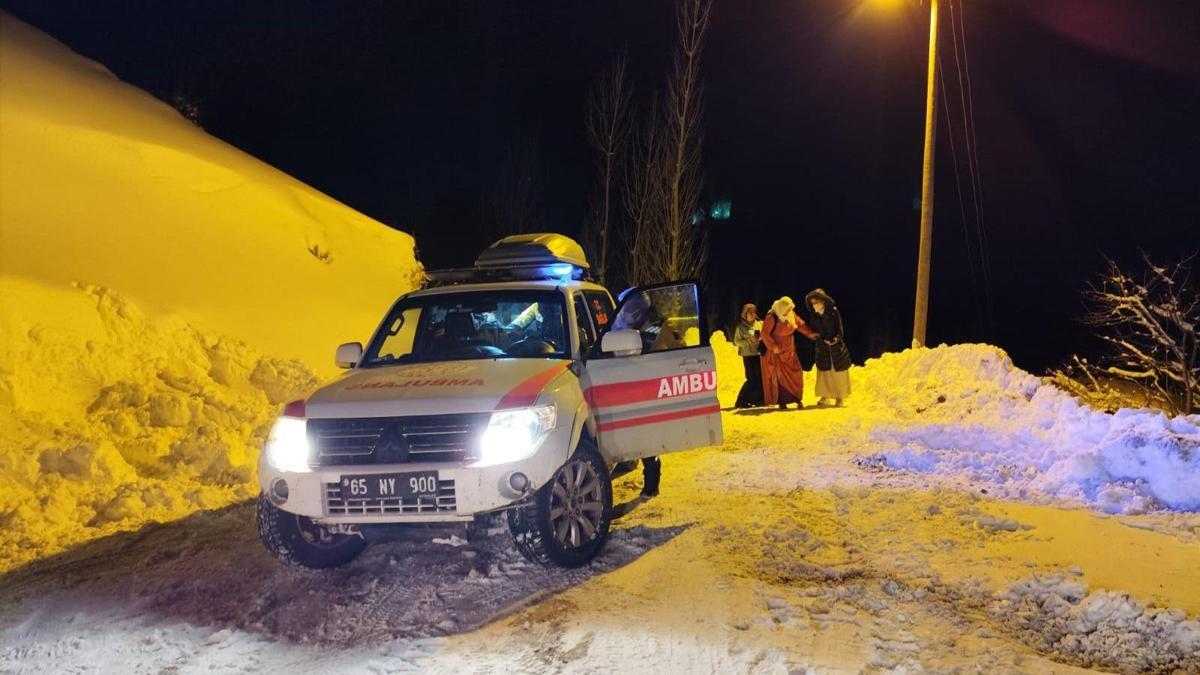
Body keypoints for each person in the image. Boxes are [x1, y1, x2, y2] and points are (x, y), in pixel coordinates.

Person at [760, 296, 818, 409]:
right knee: (780, 376)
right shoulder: (772, 317)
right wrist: (773, 347)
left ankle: (797, 398)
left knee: (796, 373)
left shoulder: (791, 314)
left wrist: (810, 334)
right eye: (787, 309)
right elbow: (764, 333)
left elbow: (800, 324)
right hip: (777, 352)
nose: (789, 311)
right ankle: (782, 401)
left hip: (789, 349)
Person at [805, 288, 852, 406]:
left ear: (823, 301)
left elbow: (840, 330)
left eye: (816, 302)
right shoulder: (814, 316)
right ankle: (825, 397)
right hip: (823, 349)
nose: (815, 305)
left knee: (838, 374)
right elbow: (814, 332)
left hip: (837, 349)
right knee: (824, 374)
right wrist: (819, 340)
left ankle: (839, 398)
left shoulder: (833, 312)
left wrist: (835, 339)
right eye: (812, 303)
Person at [732, 303, 764, 408]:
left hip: (758, 354)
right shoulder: (741, 327)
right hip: (748, 355)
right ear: (744, 314)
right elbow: (737, 342)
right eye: (750, 313)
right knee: (751, 378)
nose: (752, 314)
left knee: (759, 378)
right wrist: (749, 341)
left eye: (754, 312)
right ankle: (741, 400)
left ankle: (757, 400)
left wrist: (760, 339)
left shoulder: (759, 324)